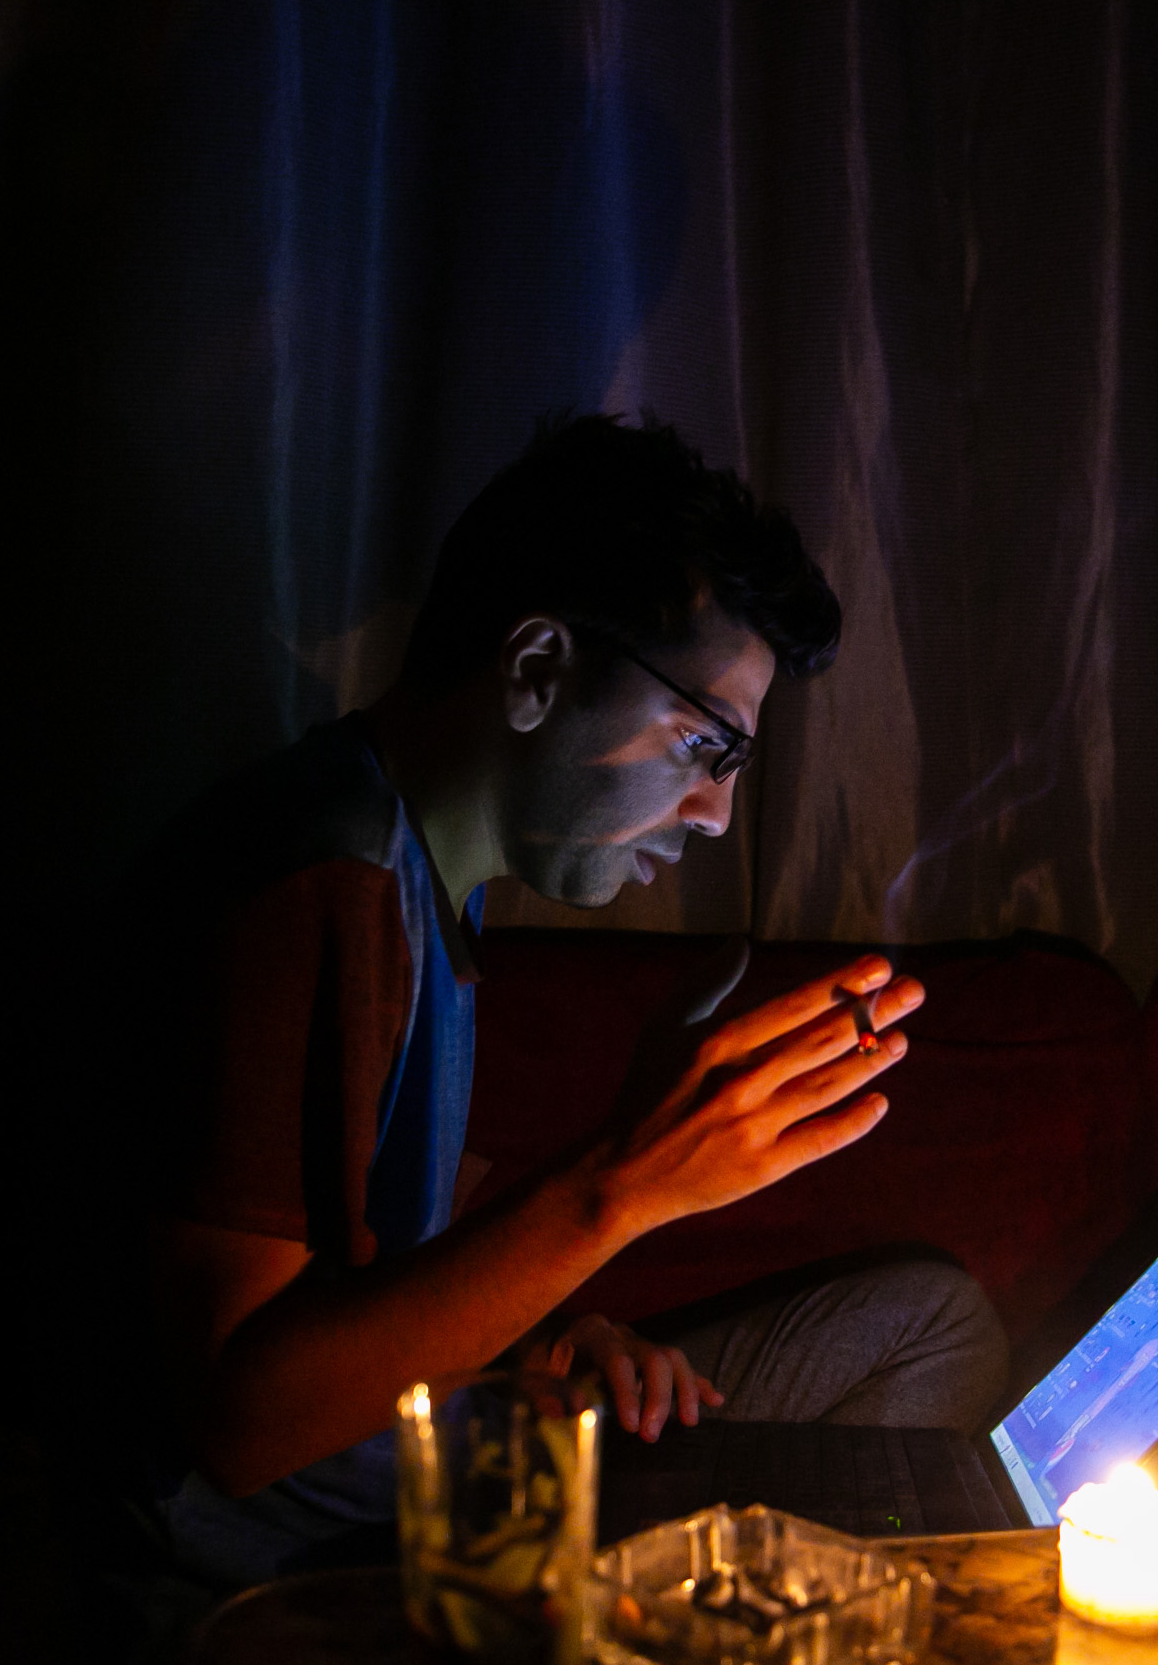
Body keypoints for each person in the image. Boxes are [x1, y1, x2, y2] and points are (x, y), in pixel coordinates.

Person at [114, 414, 1006, 1584]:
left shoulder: (420, 872)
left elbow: (378, 1235)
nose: (715, 817)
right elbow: (234, 1425)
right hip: (308, 1550)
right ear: (537, 670)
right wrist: (624, 1184)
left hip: (439, 1434)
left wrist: (537, 1334)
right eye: (707, 747)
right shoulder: (318, 875)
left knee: (924, 1320)